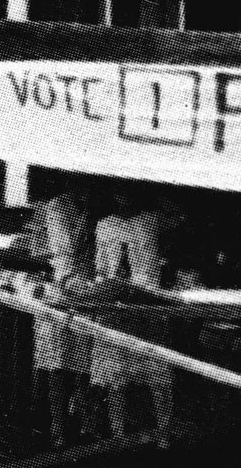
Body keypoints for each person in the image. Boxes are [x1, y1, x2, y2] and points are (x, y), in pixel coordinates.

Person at [89, 185, 176, 449]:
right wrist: (106, 286)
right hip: (116, 302)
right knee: (115, 374)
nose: (121, 197)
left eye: (127, 192)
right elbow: (100, 267)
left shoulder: (152, 219)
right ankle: (118, 436)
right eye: (117, 192)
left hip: (148, 302)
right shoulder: (104, 225)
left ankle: (163, 436)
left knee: (157, 371)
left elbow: (179, 216)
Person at [26, 188, 92, 447]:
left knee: (83, 363)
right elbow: (68, 247)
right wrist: (88, 217)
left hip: (84, 288)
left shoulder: (88, 206)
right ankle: (57, 428)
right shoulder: (57, 206)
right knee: (56, 362)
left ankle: (85, 424)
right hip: (58, 287)